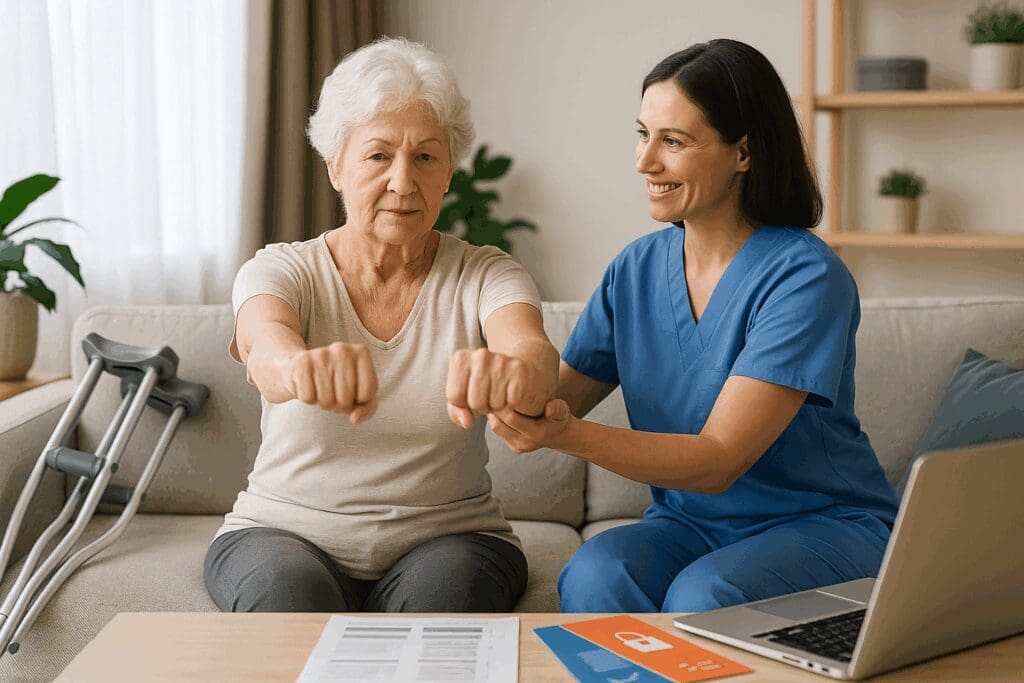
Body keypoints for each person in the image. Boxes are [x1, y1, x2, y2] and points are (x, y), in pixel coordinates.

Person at [487, 39, 899, 613]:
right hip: (689, 528)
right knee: (593, 574)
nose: (644, 161)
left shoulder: (807, 277)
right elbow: (558, 398)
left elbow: (718, 459)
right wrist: (503, 383)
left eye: (672, 142)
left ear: (743, 153)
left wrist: (563, 434)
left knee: (706, 596)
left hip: (820, 527)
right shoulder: (635, 269)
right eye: (642, 134)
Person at [204, 37, 558, 613]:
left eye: (425, 156)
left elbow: (532, 351)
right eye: (377, 156)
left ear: (448, 171)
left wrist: (515, 374)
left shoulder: (487, 273)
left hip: (453, 539)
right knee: (288, 598)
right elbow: (264, 346)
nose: (402, 181)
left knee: (445, 597)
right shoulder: (281, 268)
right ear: (336, 166)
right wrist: (301, 368)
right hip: (281, 534)